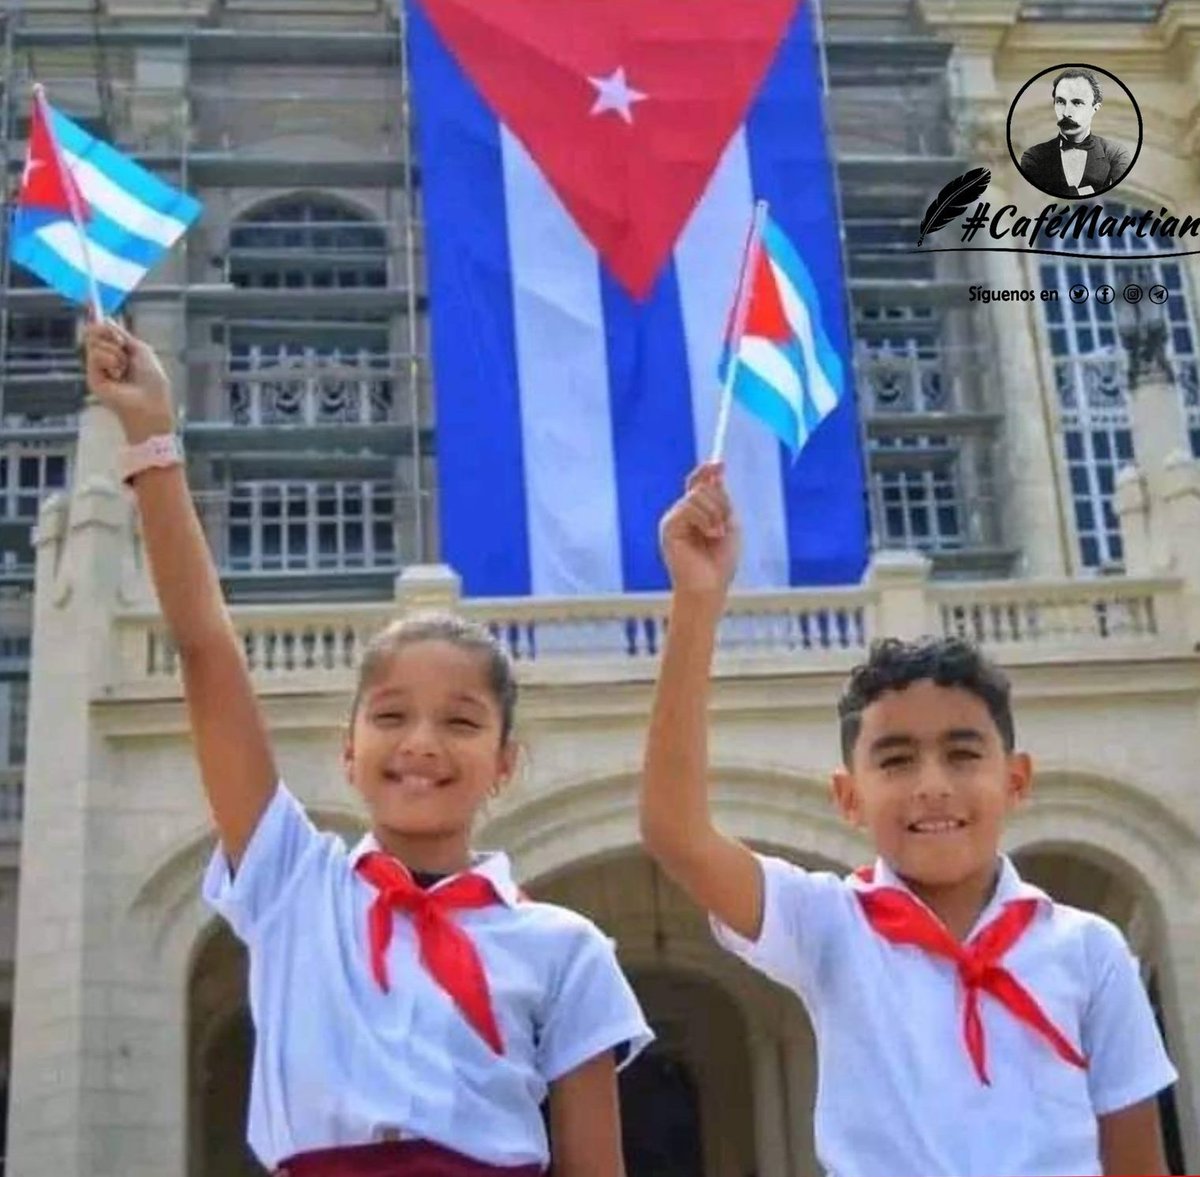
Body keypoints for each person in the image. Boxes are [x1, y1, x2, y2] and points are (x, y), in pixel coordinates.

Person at [84, 320, 652, 1177]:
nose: (421, 743)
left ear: (506, 762)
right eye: (391, 716)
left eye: (460, 722)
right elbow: (206, 648)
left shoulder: (565, 946)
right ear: (348, 750)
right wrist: (151, 441)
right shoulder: (291, 884)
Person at [640, 461, 1177, 1177]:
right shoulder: (828, 924)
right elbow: (676, 831)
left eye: (962, 754)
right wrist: (697, 603)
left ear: (1015, 779)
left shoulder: (1090, 951)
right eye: (895, 760)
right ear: (848, 795)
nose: (932, 786)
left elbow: (1137, 1159)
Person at [1018, 68, 1132, 199]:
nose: (1066, 112)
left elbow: (1118, 199)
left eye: (1077, 103)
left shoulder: (1114, 153)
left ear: (1095, 108)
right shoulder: (1034, 156)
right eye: (1060, 102)